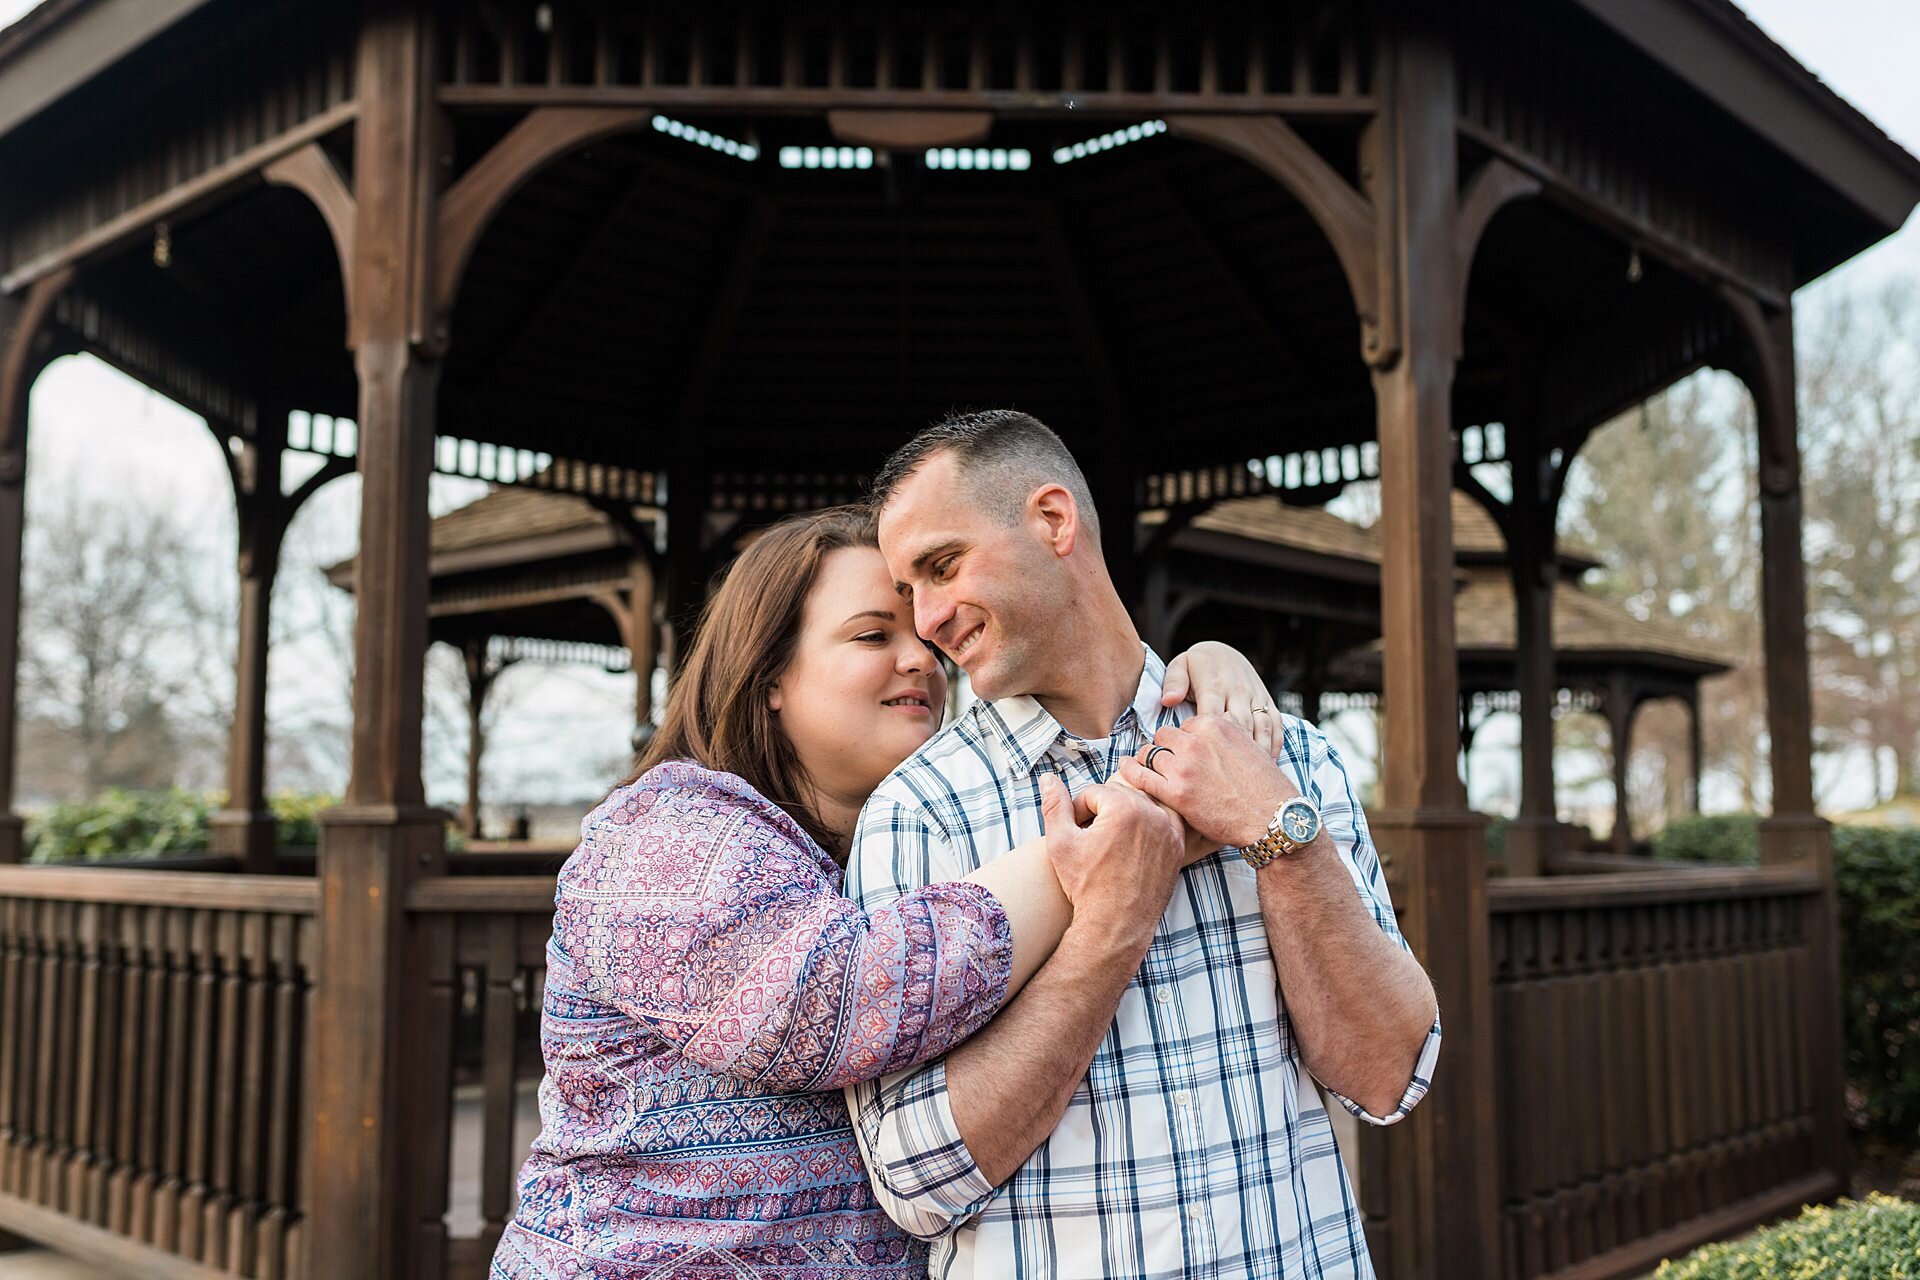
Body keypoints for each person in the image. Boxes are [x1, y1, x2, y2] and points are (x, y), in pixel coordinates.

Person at [489, 505, 1277, 1280]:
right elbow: (835, 996)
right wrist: (1134, 830)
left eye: (929, 639)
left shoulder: (912, 845)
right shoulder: (664, 832)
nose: (922, 660)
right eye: (874, 635)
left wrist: (1184, 678)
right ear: (768, 677)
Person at [846, 410, 1443, 1280]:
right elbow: (914, 1180)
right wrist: (1113, 922)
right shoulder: (915, 814)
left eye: (942, 568)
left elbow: (1390, 1077)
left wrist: (1282, 833)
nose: (928, 621)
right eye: (907, 595)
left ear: (1054, 521)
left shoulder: (1290, 755)